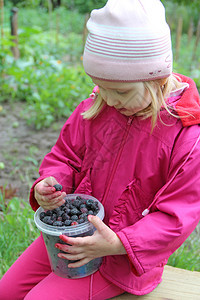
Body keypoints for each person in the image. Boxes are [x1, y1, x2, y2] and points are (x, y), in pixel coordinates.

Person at [1, 0, 200, 299]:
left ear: (156, 78)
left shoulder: (185, 137)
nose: (108, 98)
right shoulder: (98, 107)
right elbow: (65, 155)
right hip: (72, 234)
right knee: (6, 290)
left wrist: (119, 243)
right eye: (99, 86)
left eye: (119, 91)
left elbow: (177, 216)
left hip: (122, 259)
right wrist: (50, 184)